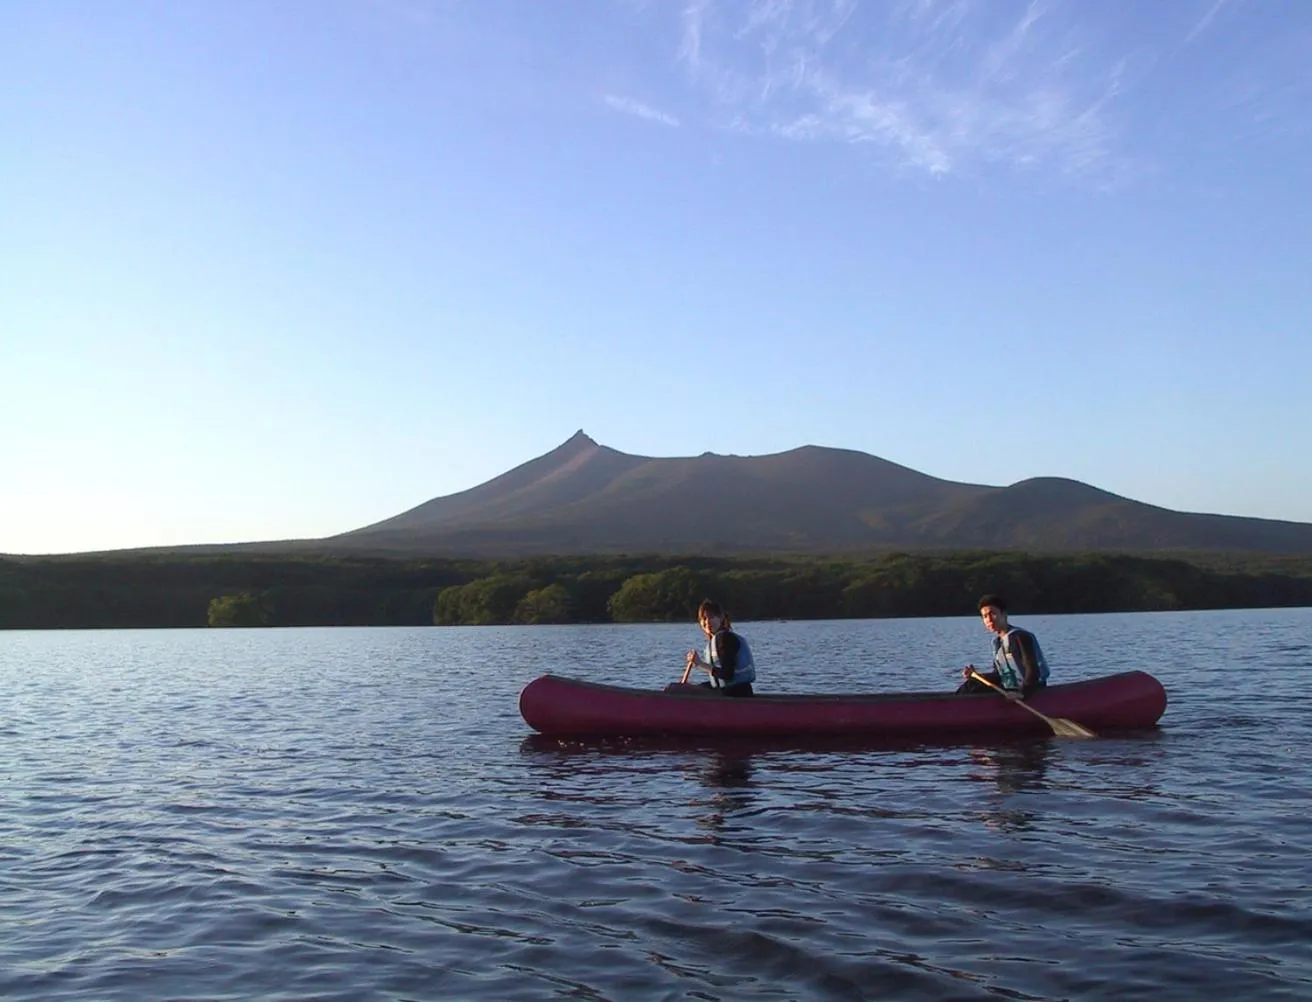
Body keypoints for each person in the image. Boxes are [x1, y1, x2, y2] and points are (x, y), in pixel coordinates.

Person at [957, 594, 1049, 699]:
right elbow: (999, 675)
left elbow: (1032, 671)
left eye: (993, 614)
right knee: (972, 684)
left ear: (1004, 614)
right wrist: (977, 676)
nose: (989, 619)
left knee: (971, 687)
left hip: (1030, 689)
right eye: (985, 616)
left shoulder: (1020, 637)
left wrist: (1023, 694)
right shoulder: (997, 642)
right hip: (1011, 688)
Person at [684, 599, 756, 697]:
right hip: (730, 691)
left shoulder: (725, 639)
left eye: (711, 617)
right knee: (689, 688)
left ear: (721, 618)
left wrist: (700, 663)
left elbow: (727, 675)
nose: (707, 622)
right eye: (704, 618)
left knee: (678, 690)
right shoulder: (717, 639)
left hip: (737, 693)